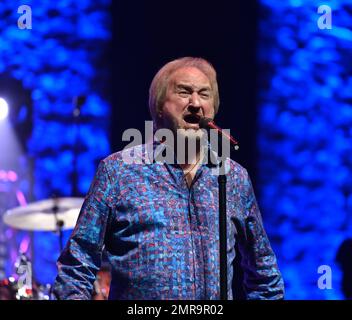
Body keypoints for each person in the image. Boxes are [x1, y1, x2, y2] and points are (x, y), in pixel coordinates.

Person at [52, 57, 284, 300]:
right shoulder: (118, 172)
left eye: (204, 94)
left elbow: (265, 274)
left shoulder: (232, 177)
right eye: (184, 92)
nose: (195, 103)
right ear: (159, 105)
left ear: (213, 109)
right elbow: (76, 267)